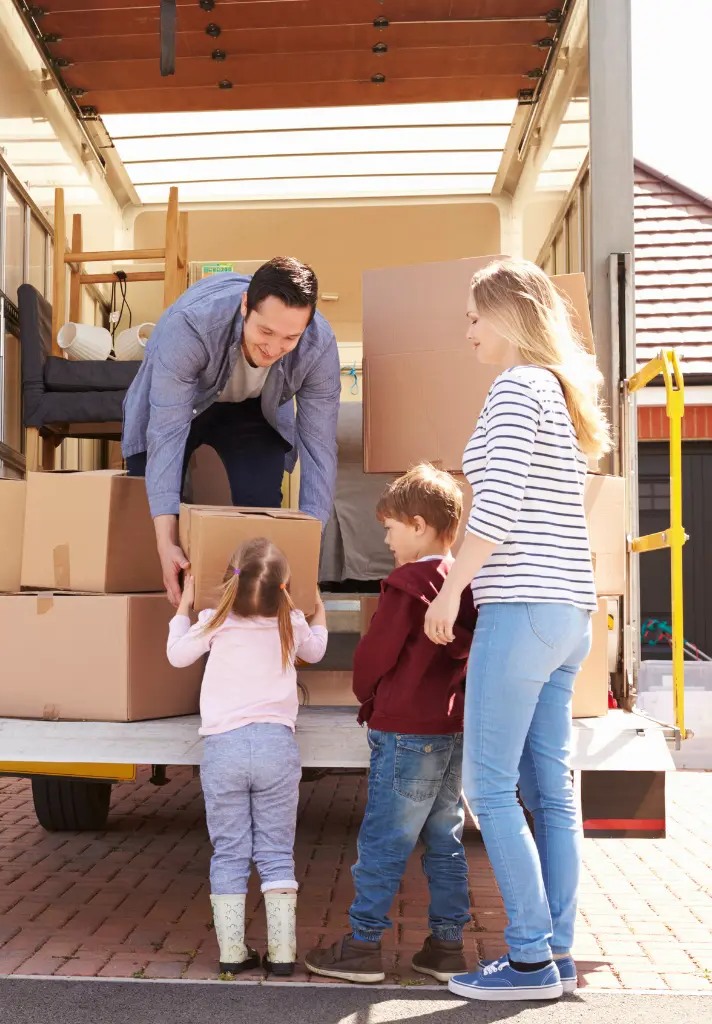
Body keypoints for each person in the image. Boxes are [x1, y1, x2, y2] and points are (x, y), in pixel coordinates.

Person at [423, 259, 611, 1002]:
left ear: (506, 314)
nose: (467, 331)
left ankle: (528, 959)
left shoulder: (514, 389)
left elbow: (494, 509)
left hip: (523, 609)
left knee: (488, 786)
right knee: (550, 792)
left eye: (474, 317)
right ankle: (555, 954)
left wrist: (451, 591)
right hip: (568, 616)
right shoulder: (558, 395)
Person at [304, 464, 477, 984]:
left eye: (390, 528)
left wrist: (367, 696)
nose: (385, 538)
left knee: (383, 839)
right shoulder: (463, 584)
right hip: (449, 729)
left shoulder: (406, 584)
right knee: (445, 839)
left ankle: (361, 946)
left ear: (419, 526)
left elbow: (374, 655)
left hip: (404, 731)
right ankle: (447, 947)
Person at [123, 258, 342, 604]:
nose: (273, 349)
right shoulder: (191, 327)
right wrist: (166, 542)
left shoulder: (319, 345)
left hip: (254, 410)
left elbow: (319, 448)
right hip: (184, 403)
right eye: (265, 332)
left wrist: (306, 553)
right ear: (245, 306)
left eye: (289, 338)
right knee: (150, 518)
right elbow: (166, 433)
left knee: (261, 505)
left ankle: (249, 622)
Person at [166, 538, 328, 976]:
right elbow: (317, 651)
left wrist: (183, 606)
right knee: (277, 851)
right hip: (277, 747)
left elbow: (177, 656)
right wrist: (319, 611)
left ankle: (233, 953)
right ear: (286, 586)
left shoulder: (214, 621)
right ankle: (282, 953)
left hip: (225, 749)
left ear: (229, 581)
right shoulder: (290, 623)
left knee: (230, 852)